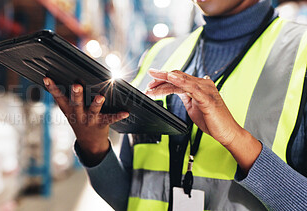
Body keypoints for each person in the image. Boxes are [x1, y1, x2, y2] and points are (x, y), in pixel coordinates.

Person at [43, 0, 307, 210]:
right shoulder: (160, 55)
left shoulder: (300, 52)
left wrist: (236, 138)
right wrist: (94, 148)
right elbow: (131, 199)